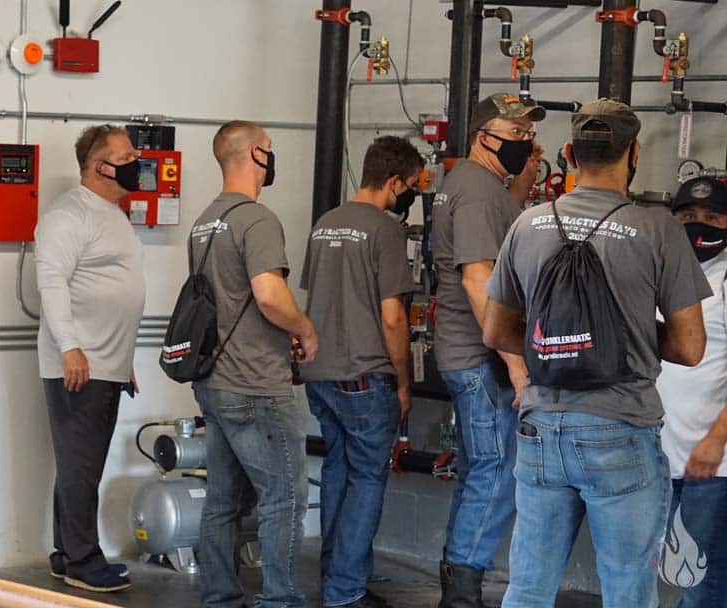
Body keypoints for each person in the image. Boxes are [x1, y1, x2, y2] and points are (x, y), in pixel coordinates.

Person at [482, 99, 710, 607]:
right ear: (634, 153)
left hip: (540, 428)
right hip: (619, 427)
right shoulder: (658, 230)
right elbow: (690, 347)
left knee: (528, 587)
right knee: (627, 589)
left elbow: (496, 332)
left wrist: (562, 344)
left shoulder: (528, 223)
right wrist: (615, 340)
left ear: (569, 153)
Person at [190, 120, 317, 608]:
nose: (272, 156)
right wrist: (304, 328)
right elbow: (268, 295)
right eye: (270, 148)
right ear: (256, 155)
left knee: (222, 501)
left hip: (215, 381)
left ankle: (219, 597)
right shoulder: (256, 219)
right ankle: (280, 600)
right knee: (284, 498)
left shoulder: (206, 221)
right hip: (257, 384)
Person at [430, 93, 545, 606]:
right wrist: (516, 364)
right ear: (484, 137)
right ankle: (462, 594)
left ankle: (458, 583)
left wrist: (521, 184)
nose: (526, 141)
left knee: (481, 471)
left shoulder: (476, 185)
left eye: (528, 134)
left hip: (469, 354)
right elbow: (478, 280)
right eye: (515, 133)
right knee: (497, 473)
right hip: (480, 359)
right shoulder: (477, 192)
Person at [299, 136, 423, 608]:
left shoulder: (325, 224)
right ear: (393, 182)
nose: (410, 194)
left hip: (320, 375)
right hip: (365, 377)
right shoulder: (385, 231)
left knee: (337, 470)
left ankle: (337, 577)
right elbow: (392, 318)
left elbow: (317, 296)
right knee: (367, 478)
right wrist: (404, 383)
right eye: (410, 185)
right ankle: (345, 590)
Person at [34, 124, 145, 593]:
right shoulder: (69, 214)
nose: (137, 161)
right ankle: (83, 560)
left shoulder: (112, 214)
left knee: (79, 465)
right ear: (100, 166)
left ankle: (67, 553)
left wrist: (122, 358)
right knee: (82, 467)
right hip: (80, 364)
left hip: (105, 362)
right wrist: (70, 347)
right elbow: (51, 282)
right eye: (126, 156)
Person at [656, 176, 727, 606]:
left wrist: (716, 441)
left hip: (711, 466)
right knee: (666, 573)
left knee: (704, 583)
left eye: (713, 217)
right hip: (657, 460)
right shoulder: (659, 271)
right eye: (688, 216)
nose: (699, 224)